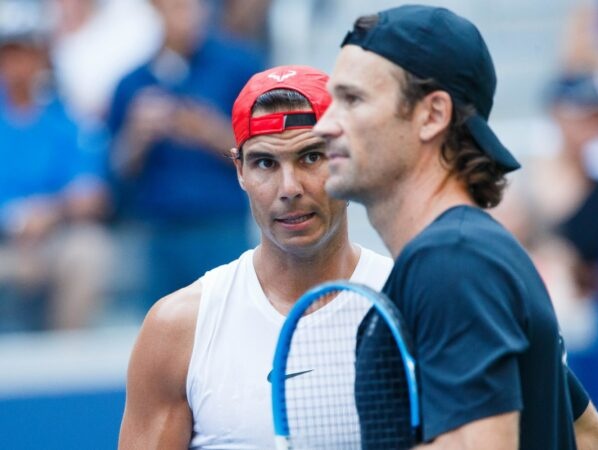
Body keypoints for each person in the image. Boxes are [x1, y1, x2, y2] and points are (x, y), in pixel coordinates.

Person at [315, 5, 598, 449]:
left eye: (352, 100)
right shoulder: (473, 251)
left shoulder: (452, 263)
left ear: (432, 115)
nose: (325, 124)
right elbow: (587, 432)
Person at [118, 65, 393, 449]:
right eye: (265, 163)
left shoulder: (416, 306)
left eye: (311, 156)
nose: (289, 187)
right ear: (239, 171)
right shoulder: (178, 328)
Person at [106, 0, 265, 309]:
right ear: (156, 9)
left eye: (195, 6)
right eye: (177, 6)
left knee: (230, 325)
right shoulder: (131, 83)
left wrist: (210, 131)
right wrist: (136, 137)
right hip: (159, 232)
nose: (189, 15)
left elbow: (267, 154)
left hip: (222, 225)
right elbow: (114, 176)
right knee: (164, 337)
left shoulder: (240, 68)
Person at [0, 0, 112, 331]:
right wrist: (14, 220)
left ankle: (68, 361)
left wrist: (49, 213)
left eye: (26, 53)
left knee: (88, 252)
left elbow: (92, 195)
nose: (18, 64)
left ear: (42, 57)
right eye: (9, 54)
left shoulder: (66, 120)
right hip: (4, 244)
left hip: (55, 238)